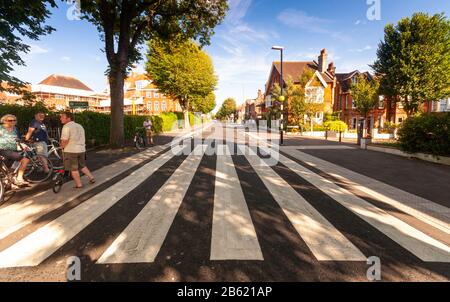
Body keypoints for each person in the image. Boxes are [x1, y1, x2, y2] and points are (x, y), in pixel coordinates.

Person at [59, 112, 95, 189]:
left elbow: (65, 140)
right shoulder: (79, 126)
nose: (60, 118)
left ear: (68, 118)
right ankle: (91, 177)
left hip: (71, 150)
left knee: (73, 169)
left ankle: (79, 185)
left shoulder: (66, 126)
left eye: (62, 117)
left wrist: (62, 147)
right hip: (81, 149)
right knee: (82, 166)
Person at [0, 114, 30, 186]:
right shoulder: (1, 128)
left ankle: (8, 182)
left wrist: (23, 145)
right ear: (4, 121)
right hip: (3, 150)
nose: (13, 122)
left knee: (9, 168)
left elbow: (17, 139)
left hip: (13, 149)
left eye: (14, 120)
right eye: (10, 120)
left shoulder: (15, 129)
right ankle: (19, 179)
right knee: (25, 160)